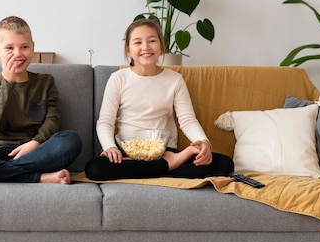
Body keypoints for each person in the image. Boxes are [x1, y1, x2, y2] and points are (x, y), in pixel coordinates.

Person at [85, 18, 234, 181]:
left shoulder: (175, 80)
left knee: (225, 164)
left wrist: (203, 142)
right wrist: (110, 147)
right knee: (95, 169)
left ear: (161, 47)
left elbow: (187, 120)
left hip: (164, 151)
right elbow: (105, 121)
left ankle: (155, 166)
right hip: (127, 151)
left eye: (152, 40)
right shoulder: (118, 78)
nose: (146, 47)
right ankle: (171, 165)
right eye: (138, 42)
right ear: (128, 50)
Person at [0, 16, 82, 184]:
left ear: (33, 48)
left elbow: (52, 121)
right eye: (9, 48)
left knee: (71, 140)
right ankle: (38, 177)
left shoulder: (45, 82)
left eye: (24, 47)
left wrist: (35, 143)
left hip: (35, 151)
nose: (18, 54)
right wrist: (8, 83)